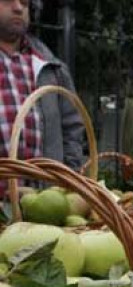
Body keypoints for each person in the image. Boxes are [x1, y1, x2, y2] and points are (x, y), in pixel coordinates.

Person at [0, 0, 84, 196]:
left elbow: (72, 128)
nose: (18, 8)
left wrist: (68, 182)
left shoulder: (51, 67)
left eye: (24, 2)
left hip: (44, 209)